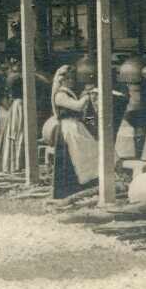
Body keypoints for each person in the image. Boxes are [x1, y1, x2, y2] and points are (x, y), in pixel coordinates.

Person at [51, 65, 99, 199]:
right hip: (68, 128)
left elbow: (85, 113)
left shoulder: (69, 92)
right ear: (63, 80)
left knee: (90, 149)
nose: (72, 81)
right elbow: (77, 107)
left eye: (73, 78)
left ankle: (87, 184)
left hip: (75, 125)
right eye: (70, 79)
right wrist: (87, 96)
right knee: (77, 155)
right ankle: (72, 188)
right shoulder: (60, 95)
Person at [0, 72, 26, 174]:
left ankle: (10, 165)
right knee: (18, 135)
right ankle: (15, 165)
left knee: (13, 136)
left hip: (14, 108)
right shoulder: (19, 102)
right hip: (17, 109)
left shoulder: (16, 102)